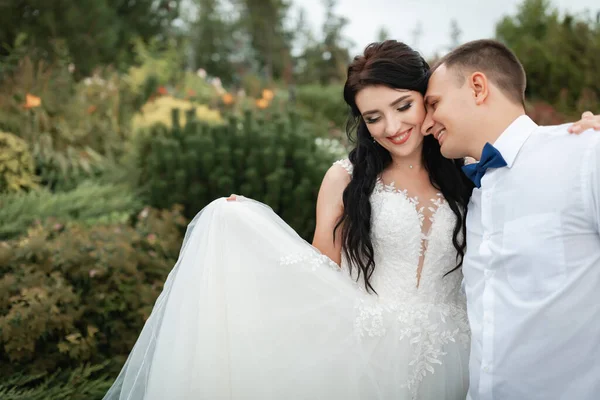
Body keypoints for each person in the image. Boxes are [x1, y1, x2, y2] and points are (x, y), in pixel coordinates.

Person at [103, 40, 600, 400]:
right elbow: (319, 271)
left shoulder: (468, 170)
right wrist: (247, 229)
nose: (392, 126)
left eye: (404, 106)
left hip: (465, 358)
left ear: (427, 100)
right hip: (372, 361)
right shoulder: (345, 179)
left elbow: (521, 150)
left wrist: (583, 132)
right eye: (373, 117)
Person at [421, 38, 600, 400]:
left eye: (433, 104)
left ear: (477, 87)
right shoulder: (472, 192)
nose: (426, 123)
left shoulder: (585, 154)